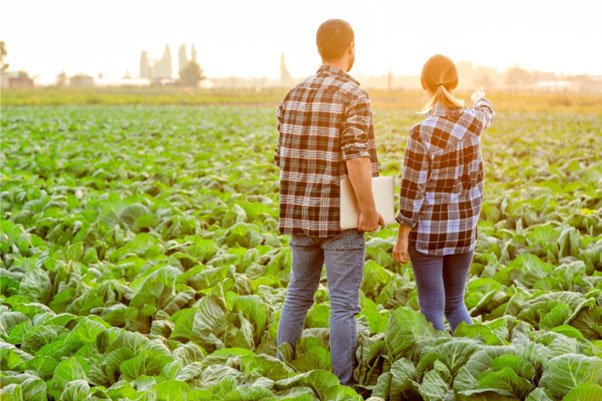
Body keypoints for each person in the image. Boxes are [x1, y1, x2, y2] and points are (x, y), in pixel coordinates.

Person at [273, 19, 382, 386]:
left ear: (319, 49)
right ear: (351, 47)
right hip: (340, 220)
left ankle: (280, 372)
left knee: (297, 295)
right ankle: (344, 384)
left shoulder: (293, 95)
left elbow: (281, 157)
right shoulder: (354, 95)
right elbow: (356, 157)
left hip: (299, 215)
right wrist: (368, 208)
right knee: (343, 307)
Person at [392, 54, 495, 333]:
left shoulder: (421, 133)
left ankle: (439, 358)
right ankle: (471, 361)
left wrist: (403, 236)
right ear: (456, 82)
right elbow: (487, 111)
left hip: (428, 235)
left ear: (423, 84)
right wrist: (478, 97)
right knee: (456, 305)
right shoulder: (475, 121)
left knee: (432, 309)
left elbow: (412, 189)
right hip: (464, 231)